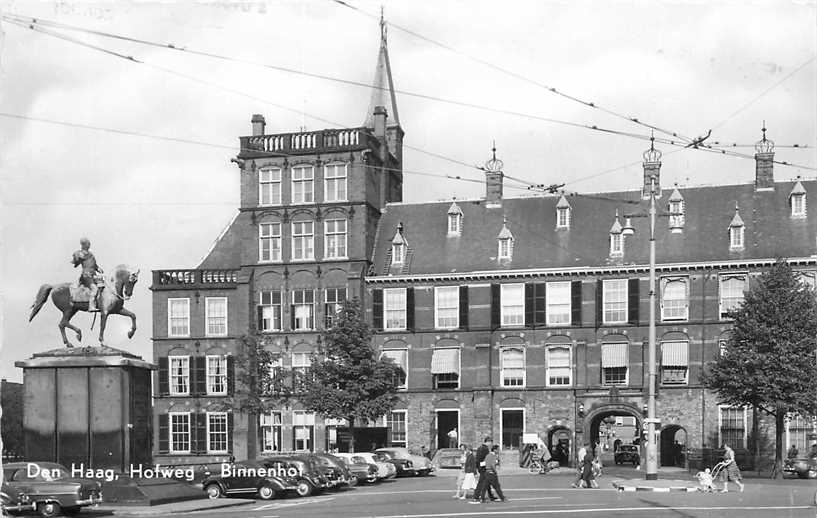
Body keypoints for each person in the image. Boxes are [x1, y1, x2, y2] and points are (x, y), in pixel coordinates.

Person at [72, 237, 103, 312]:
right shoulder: (80, 253)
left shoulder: (90, 254)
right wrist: (76, 259)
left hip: (93, 274)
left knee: (102, 285)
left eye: (89, 244)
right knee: (94, 288)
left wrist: (98, 269)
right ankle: (91, 306)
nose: (89, 245)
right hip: (86, 275)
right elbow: (76, 263)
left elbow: (94, 264)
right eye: (87, 244)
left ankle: (99, 303)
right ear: (83, 244)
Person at [469, 436, 497, 504]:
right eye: (490, 443)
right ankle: (476, 497)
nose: (491, 445)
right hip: (484, 468)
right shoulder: (485, 449)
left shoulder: (480, 448)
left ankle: (491, 496)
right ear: (488, 442)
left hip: (481, 467)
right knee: (481, 483)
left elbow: (478, 460)